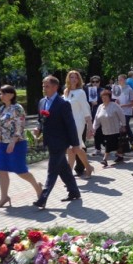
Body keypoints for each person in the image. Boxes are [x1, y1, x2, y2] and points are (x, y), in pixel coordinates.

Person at [34, 76, 82, 208]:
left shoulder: (63, 104)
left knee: (52, 170)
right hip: (49, 140)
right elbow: (41, 119)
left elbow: (70, 125)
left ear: (55, 87)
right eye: (43, 86)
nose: (44, 88)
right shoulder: (42, 102)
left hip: (61, 142)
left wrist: (75, 144)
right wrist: (38, 128)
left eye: (47, 86)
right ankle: (74, 191)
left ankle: (43, 198)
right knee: (63, 169)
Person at [0, 85, 42, 207]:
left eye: (3, 93)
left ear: (11, 95)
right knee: (2, 170)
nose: (1, 96)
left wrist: (13, 141)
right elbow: (0, 123)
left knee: (20, 170)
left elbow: (20, 125)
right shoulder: (2, 108)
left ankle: (38, 187)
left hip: (17, 143)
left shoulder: (17, 108)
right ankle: (4, 197)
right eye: (0, 93)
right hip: (3, 143)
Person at [63, 70, 94, 178]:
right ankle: (88, 167)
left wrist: (90, 126)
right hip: (67, 123)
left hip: (78, 122)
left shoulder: (80, 92)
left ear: (78, 79)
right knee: (73, 148)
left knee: (73, 148)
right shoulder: (66, 91)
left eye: (76, 77)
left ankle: (68, 174)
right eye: (71, 77)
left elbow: (86, 109)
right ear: (68, 78)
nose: (74, 79)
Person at [93, 88, 127, 167]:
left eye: (106, 97)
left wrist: (123, 125)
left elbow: (122, 115)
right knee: (113, 145)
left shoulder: (115, 105)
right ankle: (120, 156)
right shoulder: (100, 107)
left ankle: (105, 159)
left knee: (110, 145)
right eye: (102, 97)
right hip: (105, 130)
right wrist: (94, 128)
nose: (104, 98)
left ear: (109, 97)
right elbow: (96, 119)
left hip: (115, 130)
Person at [115, 74, 133, 144]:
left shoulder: (129, 89)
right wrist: (116, 102)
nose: (119, 81)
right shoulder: (117, 88)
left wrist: (123, 105)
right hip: (119, 111)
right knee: (121, 126)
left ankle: (131, 139)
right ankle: (123, 141)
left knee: (125, 125)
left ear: (124, 80)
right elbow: (116, 99)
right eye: (118, 80)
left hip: (127, 111)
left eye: (120, 79)